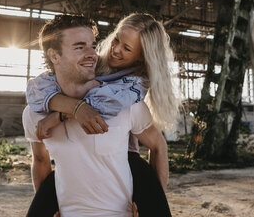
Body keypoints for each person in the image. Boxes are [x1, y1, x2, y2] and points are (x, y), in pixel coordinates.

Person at [24, 13, 180, 216]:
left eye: (127, 48)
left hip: (126, 155)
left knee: (143, 181)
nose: (115, 50)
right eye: (116, 40)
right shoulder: (93, 64)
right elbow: (38, 88)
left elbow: (102, 104)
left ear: (141, 56)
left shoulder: (134, 84)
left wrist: (60, 115)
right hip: (76, 168)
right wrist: (70, 107)